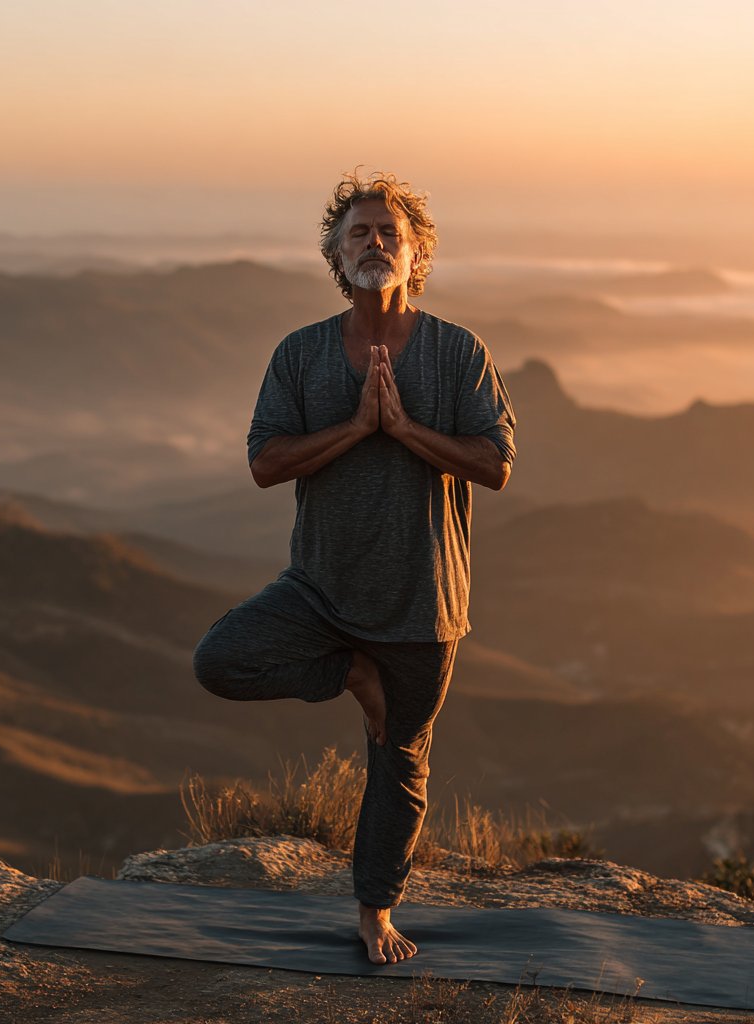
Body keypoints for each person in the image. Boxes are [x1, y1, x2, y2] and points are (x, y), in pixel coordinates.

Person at [192, 170, 516, 965]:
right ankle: (347, 671)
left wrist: (402, 429)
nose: (375, 243)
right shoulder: (301, 354)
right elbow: (266, 462)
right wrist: (356, 425)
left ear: (415, 254)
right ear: (337, 255)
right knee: (220, 660)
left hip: (421, 599)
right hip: (321, 588)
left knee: (399, 763)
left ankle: (376, 911)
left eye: (389, 233)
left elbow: (495, 463)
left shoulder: (457, 351)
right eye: (359, 233)